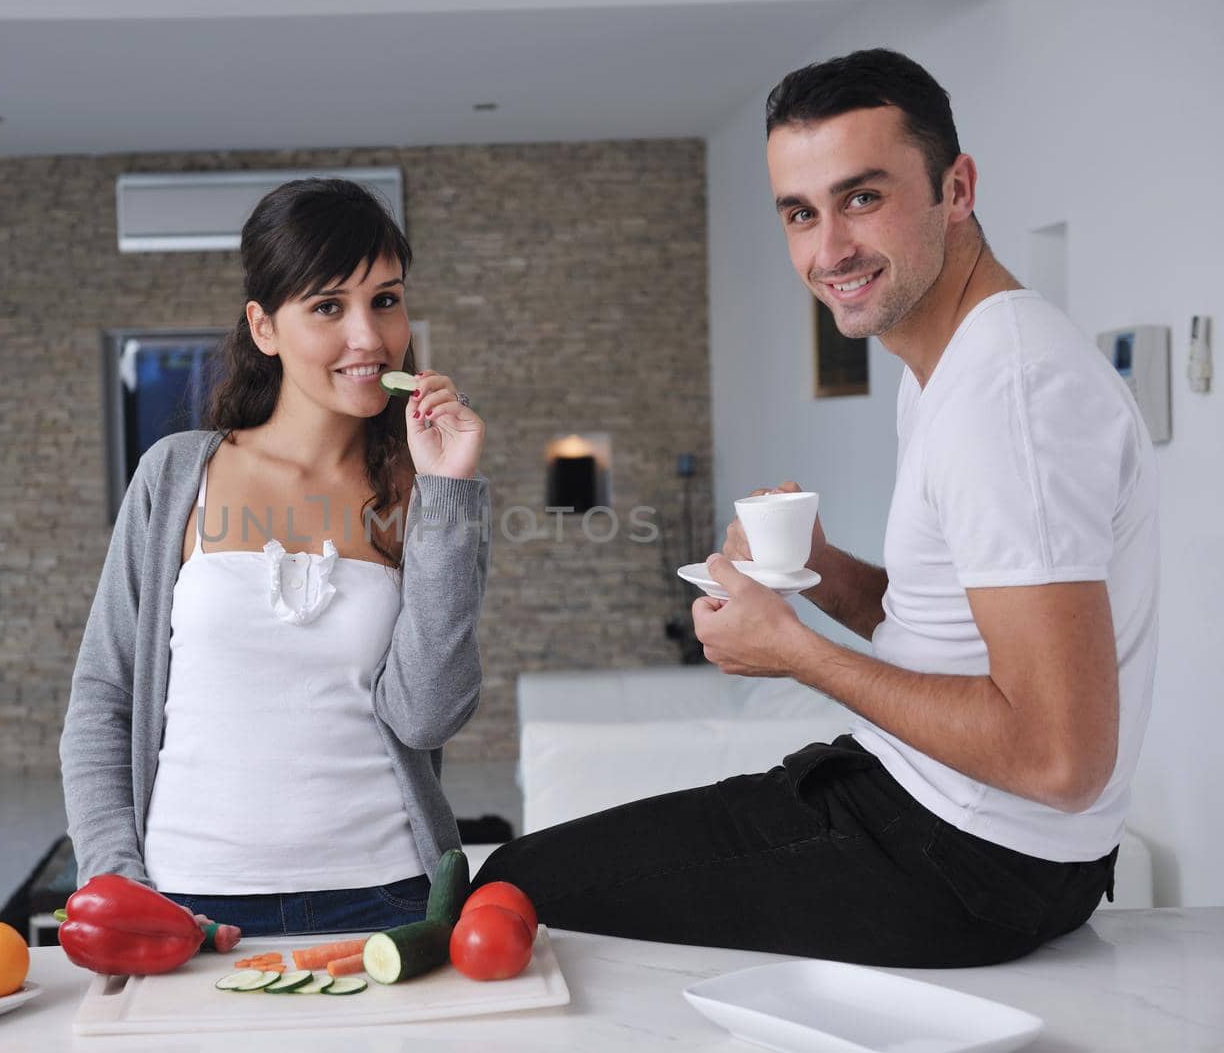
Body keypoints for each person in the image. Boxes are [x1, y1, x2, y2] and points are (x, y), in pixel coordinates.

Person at [474, 48, 1157, 967]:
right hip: (955, 827)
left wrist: (796, 650)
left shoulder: (1011, 394)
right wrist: (825, 577)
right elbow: (957, 635)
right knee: (535, 875)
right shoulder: (958, 364)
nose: (828, 250)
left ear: (956, 187)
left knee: (513, 887)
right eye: (802, 212)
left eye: (863, 198)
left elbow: (1061, 758)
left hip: (963, 861)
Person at [61, 177, 490, 937]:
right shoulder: (176, 473)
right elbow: (103, 697)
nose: (369, 336)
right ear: (264, 326)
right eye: (329, 306)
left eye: (385, 300)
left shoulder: (422, 489)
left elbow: (427, 716)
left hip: (389, 897)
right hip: (187, 899)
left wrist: (449, 493)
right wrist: (116, 880)